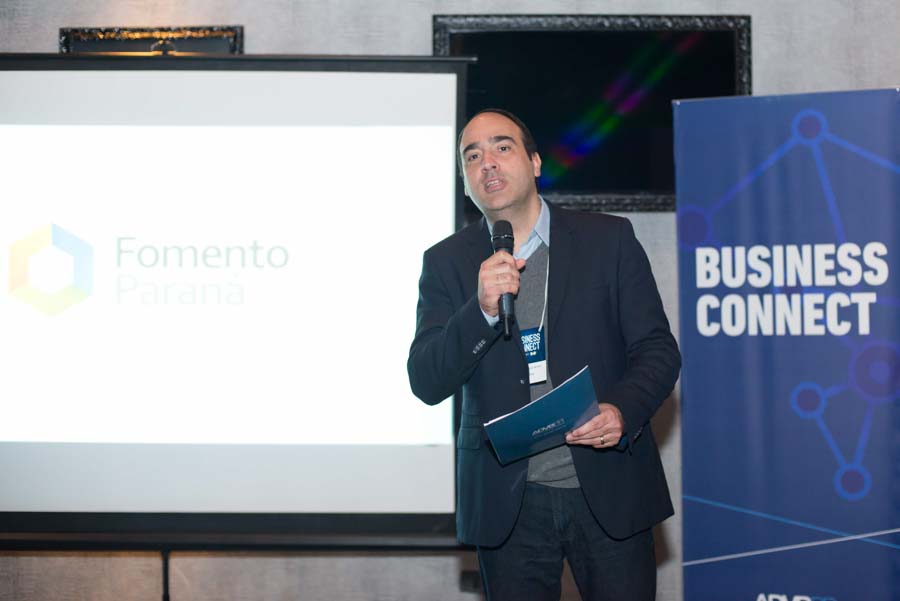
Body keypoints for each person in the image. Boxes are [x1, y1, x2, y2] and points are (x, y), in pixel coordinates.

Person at [407, 108, 680, 601]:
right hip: (507, 503)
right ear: (465, 182)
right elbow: (426, 380)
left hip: (608, 487)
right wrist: (481, 310)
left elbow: (658, 350)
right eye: (472, 156)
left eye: (502, 147)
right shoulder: (445, 261)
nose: (488, 163)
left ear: (535, 163)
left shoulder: (608, 239)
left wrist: (622, 411)